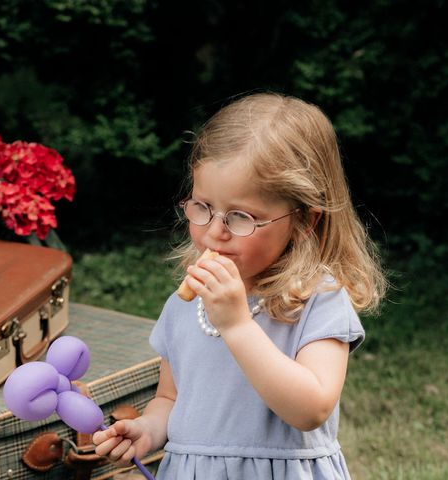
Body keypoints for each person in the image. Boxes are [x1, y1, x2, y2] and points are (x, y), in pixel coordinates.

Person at [92, 92, 387, 479]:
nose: (215, 232)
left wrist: (237, 325)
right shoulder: (186, 303)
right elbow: (170, 397)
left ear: (304, 221)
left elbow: (311, 409)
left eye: (241, 217)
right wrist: (148, 430)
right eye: (202, 207)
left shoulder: (318, 299)